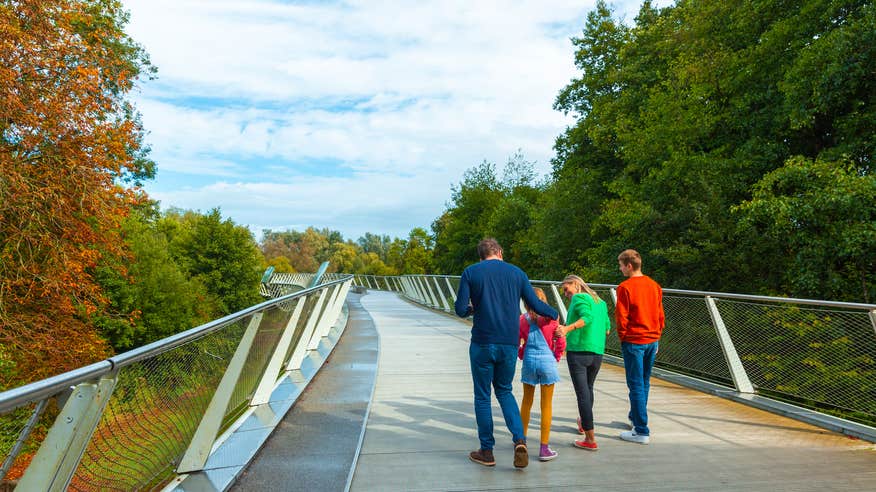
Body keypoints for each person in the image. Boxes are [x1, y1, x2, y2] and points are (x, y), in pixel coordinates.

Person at [455, 238, 559, 469]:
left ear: (481, 255)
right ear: (500, 252)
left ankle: (487, 451)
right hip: (509, 343)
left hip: (482, 342)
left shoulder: (470, 272)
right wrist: (554, 314)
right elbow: (535, 304)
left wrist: (474, 307)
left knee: (482, 396)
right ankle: (519, 440)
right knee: (504, 391)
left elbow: (461, 309)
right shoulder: (517, 273)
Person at [615, 249, 665, 445]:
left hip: (634, 340)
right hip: (652, 340)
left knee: (635, 383)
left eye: (620, 265)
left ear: (629, 266)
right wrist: (657, 336)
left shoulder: (625, 287)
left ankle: (641, 430)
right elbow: (660, 314)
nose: (620, 269)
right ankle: (636, 418)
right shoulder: (654, 286)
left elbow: (622, 317)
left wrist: (623, 337)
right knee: (644, 382)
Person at [556, 274, 610, 451]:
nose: (565, 293)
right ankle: (583, 423)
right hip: (597, 352)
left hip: (579, 351)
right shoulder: (600, 302)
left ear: (576, 284)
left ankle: (590, 438)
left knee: (582, 394)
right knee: (588, 389)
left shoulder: (579, 297)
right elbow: (607, 329)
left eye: (566, 288)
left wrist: (567, 329)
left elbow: (587, 318)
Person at [518, 287, 565, 462]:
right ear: (543, 301)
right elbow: (560, 341)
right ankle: (544, 448)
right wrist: (556, 357)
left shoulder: (522, 320)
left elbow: (518, 343)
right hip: (547, 362)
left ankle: (521, 441)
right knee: (546, 405)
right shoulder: (551, 319)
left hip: (530, 362)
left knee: (526, 402)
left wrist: (522, 353)